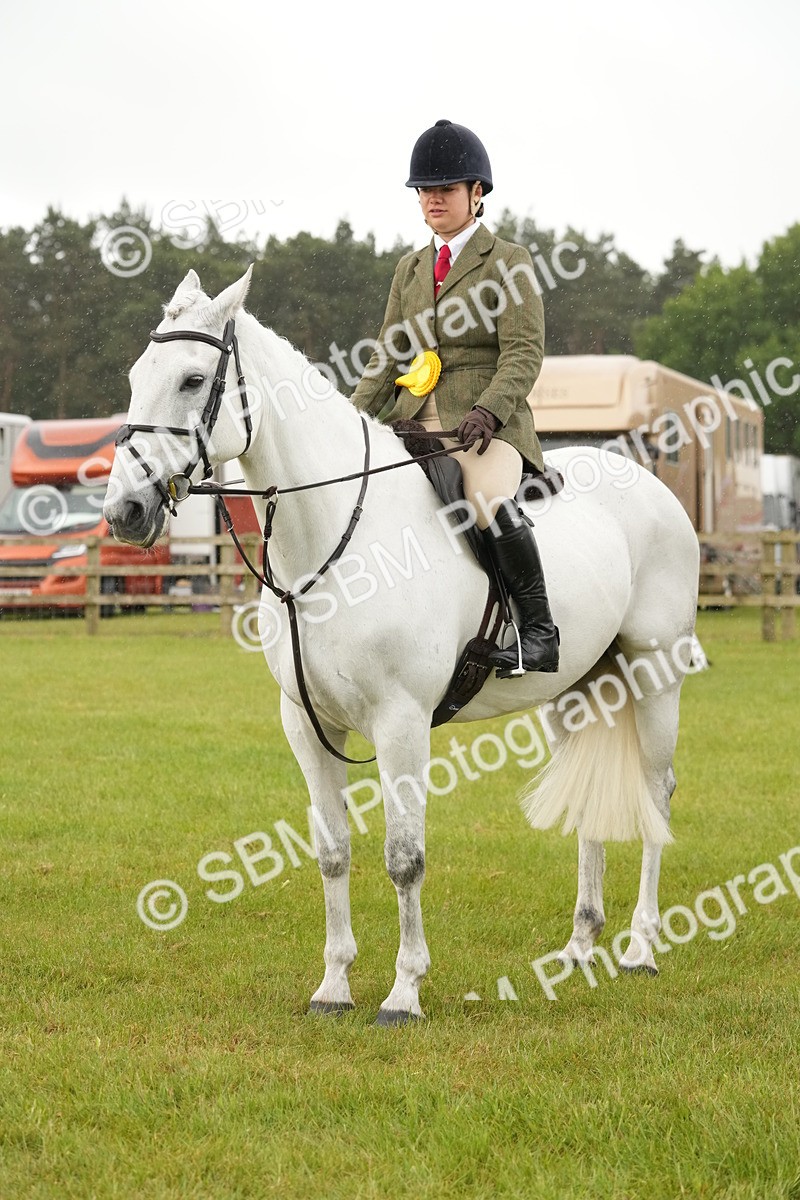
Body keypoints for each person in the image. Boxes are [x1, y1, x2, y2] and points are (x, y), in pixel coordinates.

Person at [351, 118, 559, 676]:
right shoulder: (410, 269)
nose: (432, 199)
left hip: (485, 427)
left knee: (487, 501)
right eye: (425, 190)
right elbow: (389, 354)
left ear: (477, 194)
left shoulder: (507, 261)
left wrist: (489, 409)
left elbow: (523, 353)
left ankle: (538, 632)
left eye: (445, 189)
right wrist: (349, 417)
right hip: (413, 421)